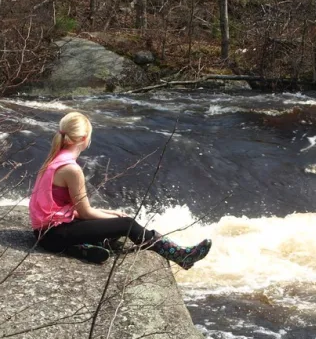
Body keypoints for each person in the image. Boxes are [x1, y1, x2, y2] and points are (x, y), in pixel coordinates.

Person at [30, 112, 212, 269]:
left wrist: (109, 213)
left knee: (113, 222)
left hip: (44, 234)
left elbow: (68, 209)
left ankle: (80, 247)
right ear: (85, 138)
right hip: (54, 234)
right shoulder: (71, 169)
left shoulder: (54, 160)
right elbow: (85, 213)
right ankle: (179, 255)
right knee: (127, 225)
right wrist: (119, 219)